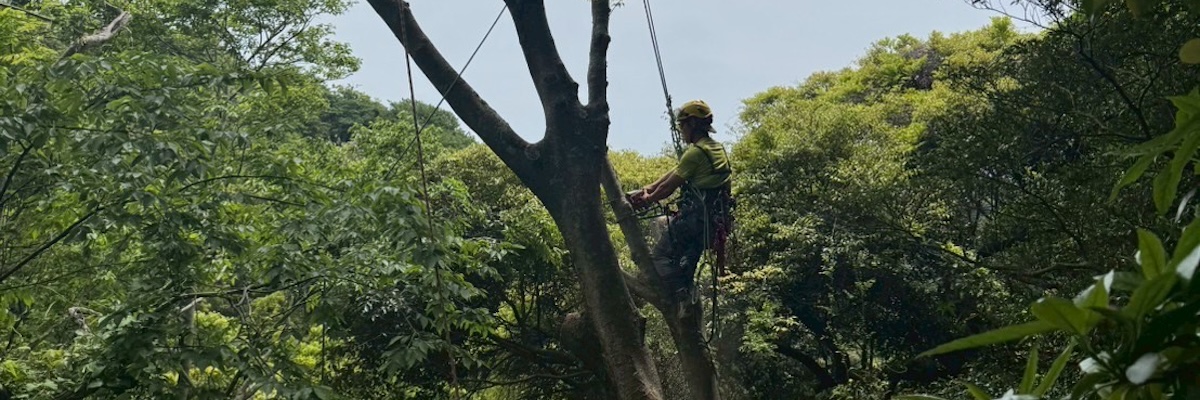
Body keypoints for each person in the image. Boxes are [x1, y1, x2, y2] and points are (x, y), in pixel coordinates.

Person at [630, 99, 733, 312]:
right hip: (712, 224)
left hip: (695, 222)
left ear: (691, 125)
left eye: (682, 126)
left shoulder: (696, 153)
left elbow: (668, 187)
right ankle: (685, 285)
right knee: (661, 224)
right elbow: (675, 172)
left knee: (658, 258)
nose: (681, 131)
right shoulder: (714, 149)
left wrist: (648, 199)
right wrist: (648, 189)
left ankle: (681, 293)